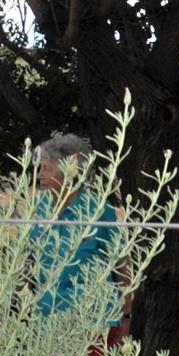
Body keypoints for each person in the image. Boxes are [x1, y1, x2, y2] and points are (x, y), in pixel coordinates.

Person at [27, 134, 122, 339]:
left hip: (91, 321)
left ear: (68, 171)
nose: (39, 176)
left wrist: (127, 317)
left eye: (46, 169)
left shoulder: (98, 211)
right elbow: (26, 261)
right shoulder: (37, 211)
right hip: (46, 321)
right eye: (40, 168)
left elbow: (122, 266)